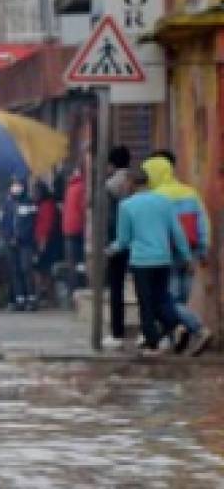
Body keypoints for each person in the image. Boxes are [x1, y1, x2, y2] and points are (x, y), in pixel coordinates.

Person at [112, 159, 191, 354]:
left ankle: (152, 342)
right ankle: (176, 325)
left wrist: (110, 249)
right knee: (161, 298)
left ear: (132, 183)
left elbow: (123, 240)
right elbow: (177, 231)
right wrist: (186, 255)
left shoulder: (126, 206)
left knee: (146, 303)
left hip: (141, 261)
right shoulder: (164, 201)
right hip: (163, 259)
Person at [144, 153, 212, 354]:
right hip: (190, 253)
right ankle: (176, 337)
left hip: (166, 254)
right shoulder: (190, 193)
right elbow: (203, 221)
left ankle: (198, 328)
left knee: (166, 300)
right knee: (179, 299)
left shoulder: (156, 197)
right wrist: (203, 248)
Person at [104, 145, 139, 347]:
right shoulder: (137, 183)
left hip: (117, 240)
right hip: (140, 240)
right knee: (143, 288)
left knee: (116, 288)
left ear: (112, 164)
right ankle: (148, 332)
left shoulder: (110, 186)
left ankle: (117, 332)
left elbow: (108, 218)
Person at [0, 181, 37, 311]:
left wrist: (19, 237)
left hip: (25, 242)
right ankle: (19, 299)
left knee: (26, 269)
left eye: (18, 185)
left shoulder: (28, 202)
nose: (15, 188)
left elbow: (31, 223)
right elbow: (3, 223)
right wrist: (8, 237)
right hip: (11, 243)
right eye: (14, 185)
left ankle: (31, 298)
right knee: (14, 271)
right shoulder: (7, 204)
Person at [33, 180, 60, 307]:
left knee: (44, 270)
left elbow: (46, 225)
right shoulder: (43, 205)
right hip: (44, 241)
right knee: (43, 270)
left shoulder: (47, 205)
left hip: (46, 242)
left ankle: (49, 298)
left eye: (36, 191)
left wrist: (42, 243)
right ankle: (46, 296)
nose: (34, 194)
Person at [62, 167, 88, 297]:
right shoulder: (82, 187)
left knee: (72, 263)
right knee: (81, 263)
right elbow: (83, 209)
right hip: (78, 230)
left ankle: (72, 290)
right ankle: (80, 287)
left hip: (68, 230)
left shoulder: (70, 188)